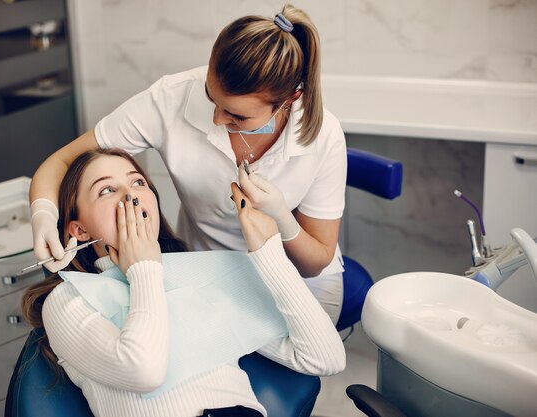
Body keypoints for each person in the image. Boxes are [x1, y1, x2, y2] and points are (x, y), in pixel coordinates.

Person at [29, 4, 347, 323]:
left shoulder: (324, 135)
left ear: (289, 100)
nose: (216, 118)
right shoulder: (171, 99)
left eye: (237, 116)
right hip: (205, 273)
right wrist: (43, 213)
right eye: (211, 97)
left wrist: (282, 219)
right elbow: (63, 159)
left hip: (299, 281)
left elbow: (315, 262)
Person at [22, 148, 346, 417]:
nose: (129, 196)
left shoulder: (201, 272)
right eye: (107, 190)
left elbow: (326, 359)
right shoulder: (68, 299)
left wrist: (270, 253)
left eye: (137, 183)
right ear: (79, 230)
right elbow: (144, 372)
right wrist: (144, 269)